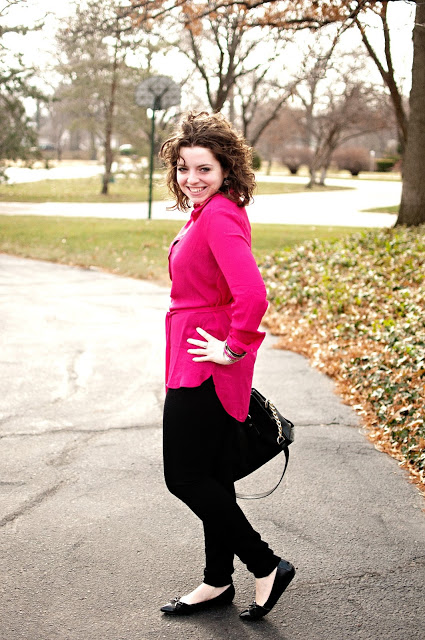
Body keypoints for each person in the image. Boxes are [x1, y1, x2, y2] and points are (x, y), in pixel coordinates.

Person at [158, 111, 295, 621]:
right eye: (183, 169)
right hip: (192, 359)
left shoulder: (219, 216)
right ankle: (218, 580)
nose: (191, 179)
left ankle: (265, 563)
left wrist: (234, 348)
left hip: (207, 367)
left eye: (204, 170)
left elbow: (252, 295)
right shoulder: (202, 213)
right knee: (213, 475)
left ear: (227, 172)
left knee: (185, 478)